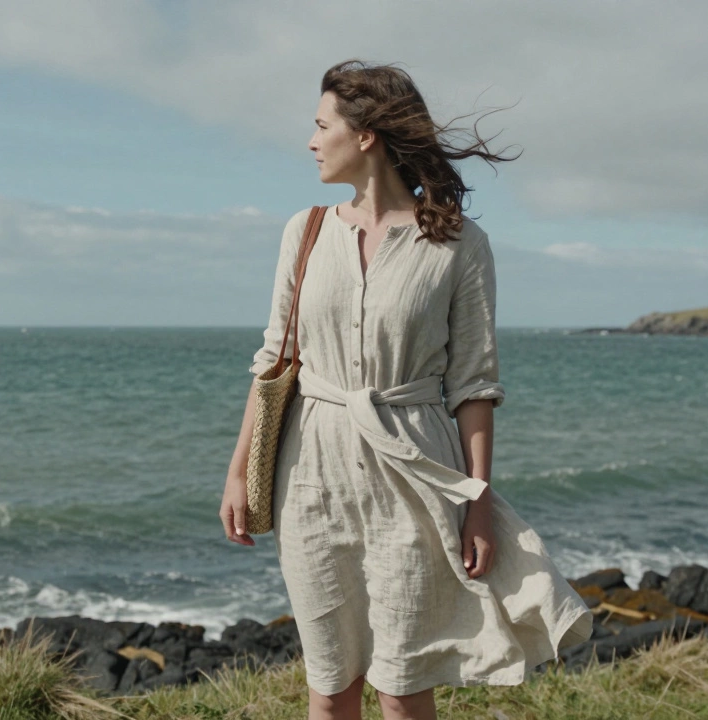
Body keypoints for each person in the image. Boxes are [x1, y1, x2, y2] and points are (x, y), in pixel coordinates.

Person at [219, 60, 593, 720]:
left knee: (400, 682)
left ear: (365, 135)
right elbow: (273, 361)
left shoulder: (458, 245)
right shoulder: (303, 233)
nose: (310, 141)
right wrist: (237, 473)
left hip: (415, 474)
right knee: (332, 681)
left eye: (320, 125)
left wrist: (476, 502)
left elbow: (474, 383)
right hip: (310, 475)